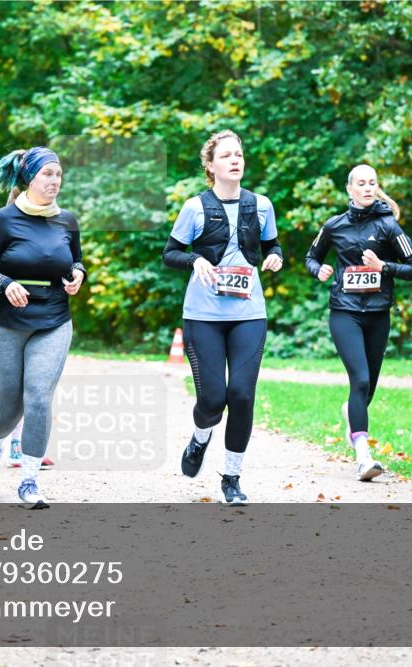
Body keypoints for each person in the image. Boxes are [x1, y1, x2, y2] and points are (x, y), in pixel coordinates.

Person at [163, 130, 283, 505]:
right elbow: (171, 253)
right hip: (203, 315)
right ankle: (200, 439)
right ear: (211, 166)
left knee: (242, 395)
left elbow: (272, 244)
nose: (236, 160)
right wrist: (196, 258)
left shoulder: (260, 205)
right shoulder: (194, 208)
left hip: (249, 313)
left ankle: (231, 477)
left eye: (240, 154)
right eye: (227, 155)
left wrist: (276, 256)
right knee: (213, 400)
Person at [0, 146, 85, 509]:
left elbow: (76, 260)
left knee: (38, 397)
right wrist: (5, 284)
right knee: (8, 409)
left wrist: (78, 274)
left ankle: (30, 480)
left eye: (59, 174)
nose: (54, 181)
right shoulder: (3, 220)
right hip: (6, 322)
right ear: (29, 178)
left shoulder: (67, 221)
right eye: (47, 174)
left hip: (53, 319)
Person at [304, 164, 412, 481]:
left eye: (372, 183)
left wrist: (383, 266)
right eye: (361, 183)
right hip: (345, 311)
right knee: (360, 380)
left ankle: (351, 414)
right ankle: (363, 456)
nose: (368, 188)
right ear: (350, 189)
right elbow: (311, 257)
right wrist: (319, 270)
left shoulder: (388, 227)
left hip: (378, 313)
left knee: (367, 386)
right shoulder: (334, 225)